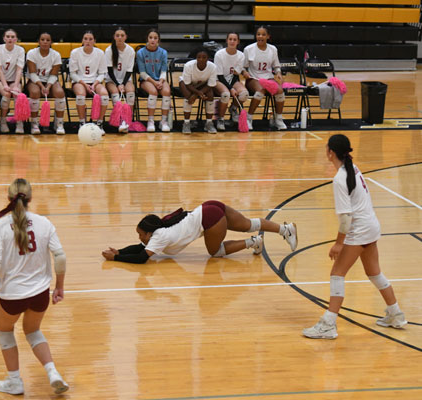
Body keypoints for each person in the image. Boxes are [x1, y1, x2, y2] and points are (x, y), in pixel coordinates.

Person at [303, 134, 407, 340]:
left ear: (330, 153)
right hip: (371, 226)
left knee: (337, 274)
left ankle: (328, 324)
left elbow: (346, 219)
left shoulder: (339, 179)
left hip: (359, 230)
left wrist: (338, 243)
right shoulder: (353, 168)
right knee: (374, 273)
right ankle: (396, 314)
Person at [0, 178, 69, 395]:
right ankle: (53, 372)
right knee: (33, 331)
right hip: (40, 294)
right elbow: (60, 257)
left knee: (5, 332)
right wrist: (59, 287)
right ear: (30, 199)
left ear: (8, 198)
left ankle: (14, 381)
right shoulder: (44, 223)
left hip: (12, 296)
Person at [102, 200, 297, 264]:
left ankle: (253, 242)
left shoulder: (159, 236)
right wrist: (120, 251)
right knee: (248, 223)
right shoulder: (159, 230)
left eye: (141, 234)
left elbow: (141, 258)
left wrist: (116, 258)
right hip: (208, 206)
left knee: (215, 252)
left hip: (209, 219)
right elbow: (139, 247)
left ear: (149, 233)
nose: (139, 238)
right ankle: (285, 229)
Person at [242, 26, 286, 131]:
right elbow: (243, 67)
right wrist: (244, 72)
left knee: (280, 91)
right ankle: (249, 118)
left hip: (268, 78)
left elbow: (276, 66)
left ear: (268, 36)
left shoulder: (273, 49)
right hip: (253, 78)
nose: (260, 36)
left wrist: (278, 73)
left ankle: (278, 118)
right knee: (260, 90)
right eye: (258, 34)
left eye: (263, 34)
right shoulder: (248, 49)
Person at [69, 31, 109, 134]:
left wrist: (94, 84)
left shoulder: (100, 53)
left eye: (90, 39)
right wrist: (84, 84)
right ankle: (82, 123)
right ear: (82, 41)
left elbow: (102, 73)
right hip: (79, 81)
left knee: (104, 95)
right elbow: (72, 74)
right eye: (85, 39)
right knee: (80, 95)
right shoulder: (75, 52)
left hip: (95, 82)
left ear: (94, 41)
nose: (88, 41)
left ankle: (99, 123)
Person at [26, 32, 66, 135]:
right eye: (42, 40)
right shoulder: (32, 53)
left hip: (50, 81)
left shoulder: (56, 54)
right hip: (35, 81)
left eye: (48, 40)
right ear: (38, 41)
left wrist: (48, 86)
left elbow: (54, 75)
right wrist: (41, 86)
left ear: (51, 42)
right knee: (35, 92)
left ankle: (59, 123)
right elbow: (32, 74)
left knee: (60, 92)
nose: (45, 42)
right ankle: (34, 123)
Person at [136, 28, 171, 133]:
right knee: (153, 91)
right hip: (146, 80)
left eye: (155, 38)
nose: (153, 40)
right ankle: (150, 121)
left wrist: (161, 81)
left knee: (167, 92)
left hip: (160, 79)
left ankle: (163, 121)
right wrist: (154, 82)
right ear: (147, 39)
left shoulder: (163, 52)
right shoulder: (140, 52)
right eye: (150, 37)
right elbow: (142, 73)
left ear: (158, 40)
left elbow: (164, 71)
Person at [213, 32, 249, 131]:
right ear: (227, 40)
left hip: (232, 79)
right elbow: (220, 76)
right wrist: (231, 89)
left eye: (234, 39)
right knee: (226, 94)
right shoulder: (219, 54)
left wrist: (232, 86)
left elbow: (235, 74)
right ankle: (220, 119)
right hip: (218, 80)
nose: (232, 41)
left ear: (238, 42)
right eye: (230, 39)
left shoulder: (241, 55)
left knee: (244, 94)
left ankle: (233, 108)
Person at [179, 47, 217, 135]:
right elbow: (187, 84)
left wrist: (196, 95)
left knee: (210, 95)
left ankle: (209, 123)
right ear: (196, 58)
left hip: (203, 84)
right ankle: (186, 123)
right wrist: (198, 93)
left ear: (208, 58)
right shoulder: (188, 65)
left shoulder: (213, 67)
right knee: (188, 97)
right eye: (199, 57)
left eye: (204, 57)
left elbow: (210, 84)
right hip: (188, 84)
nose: (201, 59)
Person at [0, 28, 25, 134]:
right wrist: (5, 85)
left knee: (18, 95)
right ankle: (3, 121)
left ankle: (19, 122)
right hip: (1, 79)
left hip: (14, 79)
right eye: (8, 37)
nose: (10, 39)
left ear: (16, 39)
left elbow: (19, 69)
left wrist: (15, 85)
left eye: (12, 37)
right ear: (4, 38)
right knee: (6, 95)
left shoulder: (20, 50)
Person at [105, 27, 135, 133]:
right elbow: (109, 70)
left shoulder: (130, 50)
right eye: (117, 35)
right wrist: (118, 84)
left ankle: (127, 121)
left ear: (126, 37)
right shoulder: (109, 50)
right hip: (111, 80)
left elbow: (129, 70)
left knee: (131, 93)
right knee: (115, 93)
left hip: (125, 79)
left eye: (122, 35)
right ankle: (118, 121)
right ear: (114, 37)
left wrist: (123, 83)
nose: (120, 38)